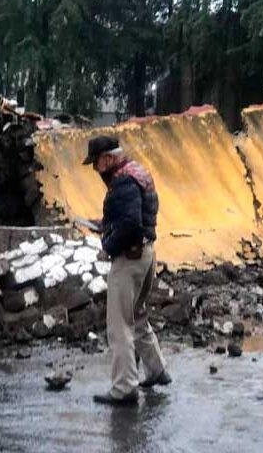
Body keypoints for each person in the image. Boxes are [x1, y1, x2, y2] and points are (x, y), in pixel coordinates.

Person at [83, 135, 170, 406]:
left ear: (107, 159)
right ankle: (157, 371)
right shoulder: (137, 171)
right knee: (138, 315)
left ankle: (124, 387)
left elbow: (131, 223)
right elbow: (137, 216)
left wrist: (108, 245)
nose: (96, 170)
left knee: (119, 324)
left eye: (96, 163)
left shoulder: (122, 181)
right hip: (147, 253)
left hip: (129, 259)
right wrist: (106, 223)